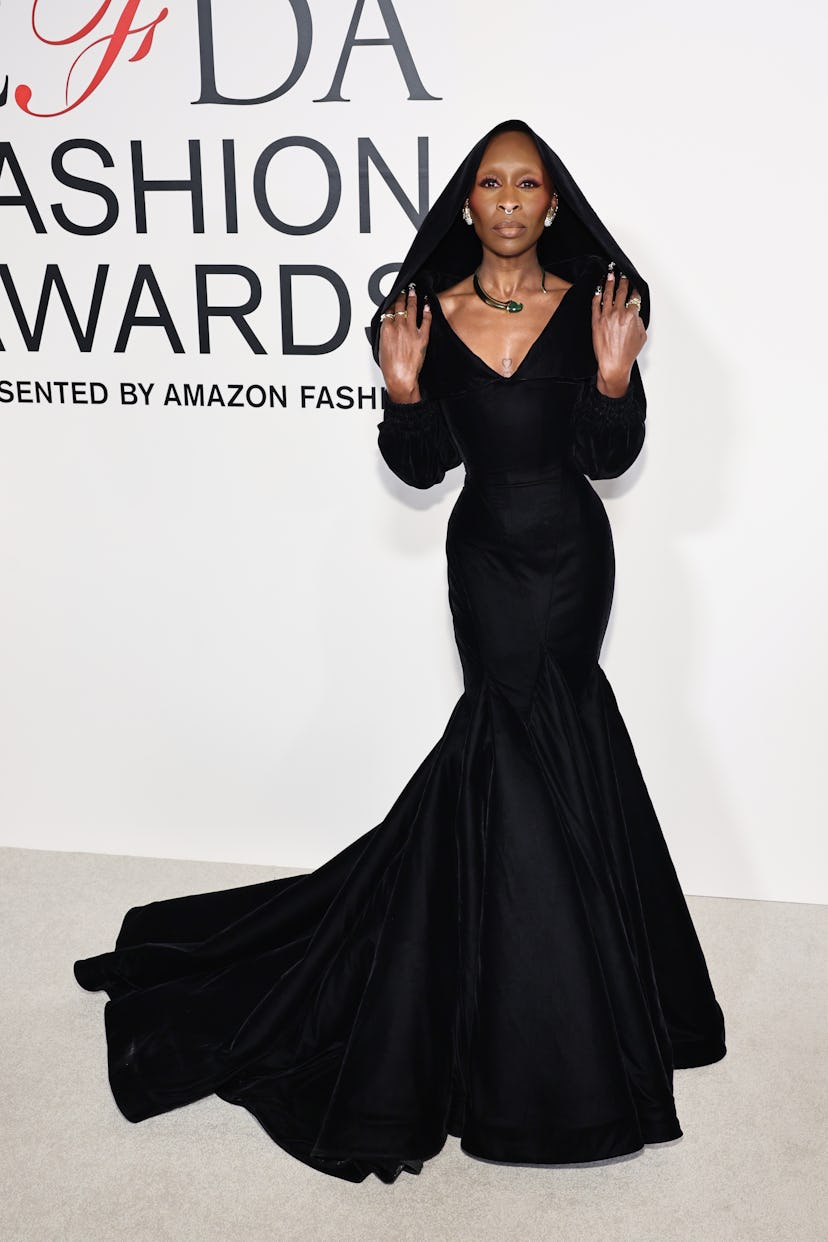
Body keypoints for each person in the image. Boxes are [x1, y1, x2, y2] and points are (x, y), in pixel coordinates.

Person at [73, 119, 726, 1185]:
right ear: (466, 204)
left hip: (571, 554)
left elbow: (610, 459)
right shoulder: (426, 315)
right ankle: (535, 1019)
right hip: (485, 560)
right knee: (507, 741)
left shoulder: (596, 307)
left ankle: (576, 1000)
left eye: (529, 183)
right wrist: (406, 390)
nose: (510, 199)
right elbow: (421, 471)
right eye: (490, 183)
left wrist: (613, 382)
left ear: (551, 203)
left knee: (562, 732)